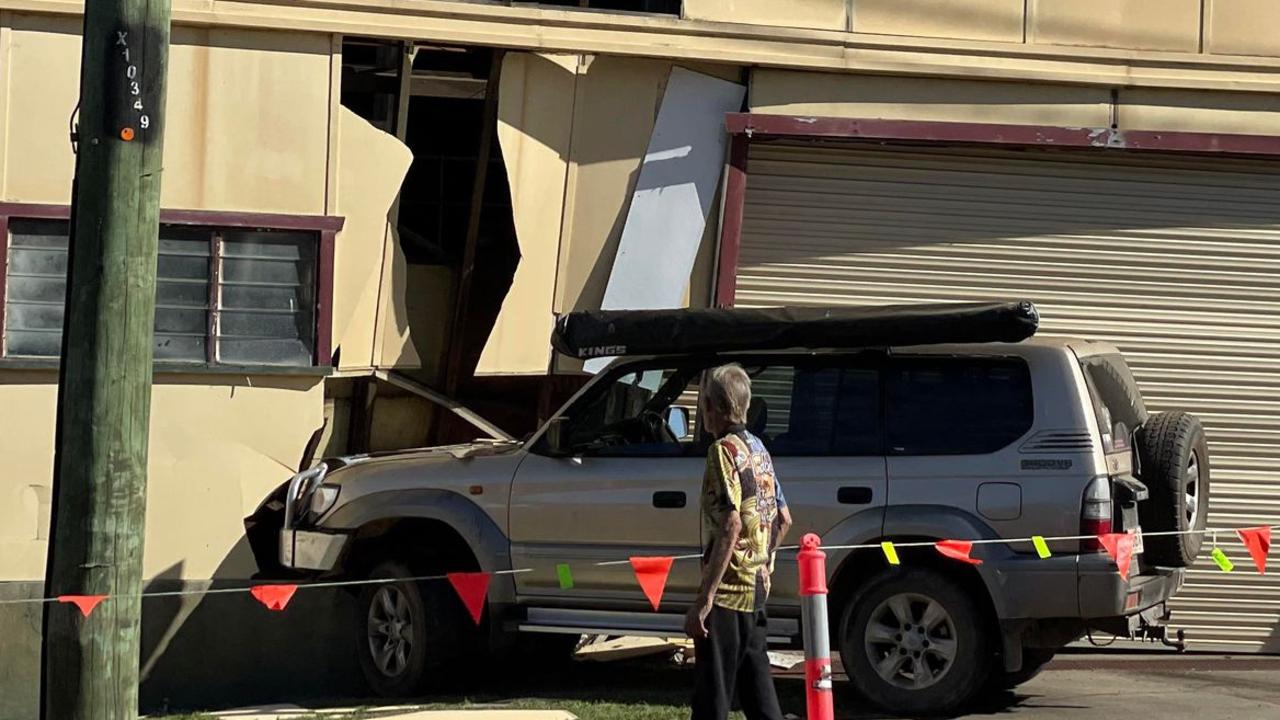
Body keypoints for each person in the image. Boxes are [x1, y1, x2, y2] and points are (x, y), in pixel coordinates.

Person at [686, 364, 793, 720]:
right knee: (759, 696)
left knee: (711, 697)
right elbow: (783, 518)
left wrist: (706, 598)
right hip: (756, 593)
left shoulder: (722, 452)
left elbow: (731, 523)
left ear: (713, 407)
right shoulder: (760, 450)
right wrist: (764, 563)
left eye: (704, 404)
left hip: (729, 595)